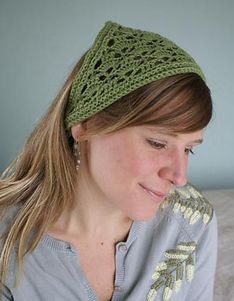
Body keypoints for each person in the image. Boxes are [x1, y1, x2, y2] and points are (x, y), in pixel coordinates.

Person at [0, 21, 217, 301]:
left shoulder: (193, 222)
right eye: (158, 143)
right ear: (86, 125)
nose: (179, 176)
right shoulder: (8, 244)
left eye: (189, 149)